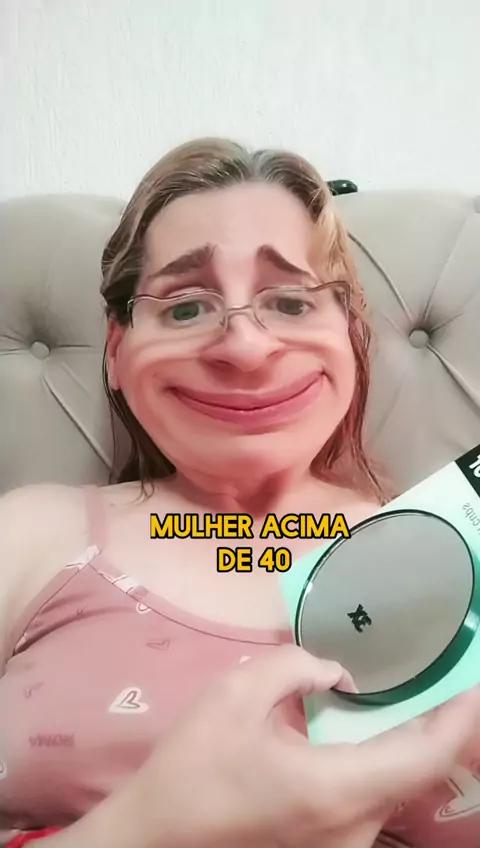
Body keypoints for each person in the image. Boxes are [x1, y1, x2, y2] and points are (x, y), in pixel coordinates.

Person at [0, 138, 479, 848]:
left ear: (350, 334)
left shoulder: (462, 560)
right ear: (117, 349)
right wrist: (147, 828)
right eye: (184, 308)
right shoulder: (31, 534)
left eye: (290, 301)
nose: (246, 348)